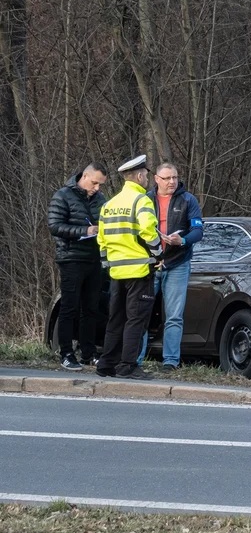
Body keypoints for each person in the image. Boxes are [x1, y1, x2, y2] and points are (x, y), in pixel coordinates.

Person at [96, 154, 161, 380]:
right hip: (139, 270)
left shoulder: (109, 204)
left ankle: (106, 364)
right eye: (146, 175)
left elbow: (102, 239)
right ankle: (128, 365)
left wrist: (107, 262)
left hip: (116, 271)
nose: (147, 180)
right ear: (140, 176)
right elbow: (148, 231)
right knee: (136, 320)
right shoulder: (141, 201)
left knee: (116, 318)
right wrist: (158, 253)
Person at [135, 162, 203, 371]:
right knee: (141, 313)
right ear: (156, 179)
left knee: (174, 315)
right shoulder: (145, 199)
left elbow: (198, 231)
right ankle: (135, 359)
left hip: (177, 263)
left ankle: (171, 361)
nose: (172, 182)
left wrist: (181, 241)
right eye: (166, 178)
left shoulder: (187, 199)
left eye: (174, 177)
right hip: (149, 263)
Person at [46, 163, 110, 370]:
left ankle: (88, 353)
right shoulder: (63, 195)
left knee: (91, 309)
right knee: (69, 308)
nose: (97, 188)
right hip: (71, 258)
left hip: (95, 259)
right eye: (94, 183)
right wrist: (85, 230)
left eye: (100, 185)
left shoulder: (101, 200)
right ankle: (66, 353)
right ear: (84, 176)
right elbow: (54, 226)